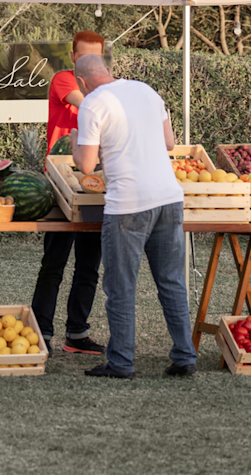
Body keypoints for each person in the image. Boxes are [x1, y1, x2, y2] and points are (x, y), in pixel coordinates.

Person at [70, 54, 197, 379]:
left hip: (128, 205)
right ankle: (185, 356)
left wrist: (74, 142)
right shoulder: (147, 91)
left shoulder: (92, 104)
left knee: (120, 286)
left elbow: (85, 166)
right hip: (169, 198)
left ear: (82, 81)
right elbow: (169, 142)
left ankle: (122, 362)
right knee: (171, 281)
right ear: (107, 71)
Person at [31, 31, 106, 356]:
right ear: (74, 57)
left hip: (94, 180)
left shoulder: (104, 90)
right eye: (85, 56)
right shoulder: (64, 79)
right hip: (61, 182)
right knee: (55, 262)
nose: (90, 63)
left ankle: (76, 333)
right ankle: (41, 331)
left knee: (89, 264)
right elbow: (87, 104)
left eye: (97, 58)